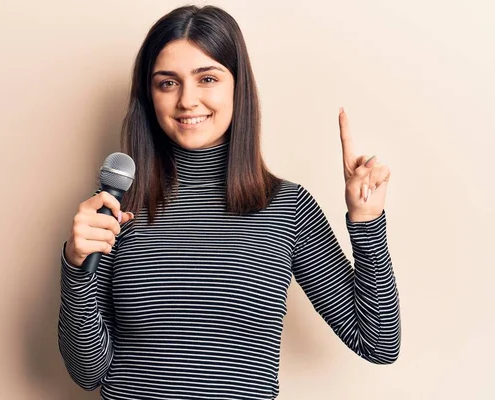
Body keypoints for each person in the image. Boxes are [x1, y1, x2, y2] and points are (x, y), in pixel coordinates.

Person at [58, 4, 400, 400]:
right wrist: (75, 264)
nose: (187, 100)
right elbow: (87, 372)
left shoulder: (286, 207)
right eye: (167, 83)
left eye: (207, 78)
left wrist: (367, 222)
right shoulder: (114, 210)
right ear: (149, 96)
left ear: (238, 85)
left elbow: (378, 343)